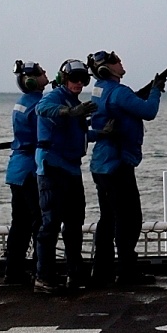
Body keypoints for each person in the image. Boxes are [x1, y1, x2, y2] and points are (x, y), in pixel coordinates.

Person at [86, 51, 165, 289]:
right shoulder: (119, 92)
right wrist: (156, 90)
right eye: (116, 61)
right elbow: (148, 111)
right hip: (116, 163)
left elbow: (124, 106)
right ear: (106, 68)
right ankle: (126, 272)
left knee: (108, 219)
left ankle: (102, 271)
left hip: (102, 164)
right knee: (128, 219)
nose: (121, 63)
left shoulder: (100, 89)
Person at [34, 59, 95, 295]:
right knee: (50, 225)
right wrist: (69, 112)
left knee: (73, 224)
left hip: (70, 168)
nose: (78, 83)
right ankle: (44, 276)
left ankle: (74, 273)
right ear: (63, 80)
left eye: (82, 80)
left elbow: (79, 134)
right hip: (52, 168)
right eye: (74, 79)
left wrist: (102, 133)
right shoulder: (55, 98)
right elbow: (41, 108)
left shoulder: (72, 102)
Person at [3, 60, 49, 286]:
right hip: (32, 168)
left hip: (16, 168)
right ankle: (41, 269)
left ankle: (13, 270)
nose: (46, 74)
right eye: (42, 73)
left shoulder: (21, 103)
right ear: (32, 80)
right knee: (40, 221)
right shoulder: (40, 104)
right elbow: (49, 132)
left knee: (19, 223)